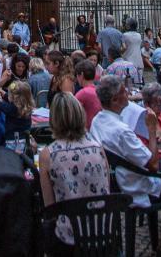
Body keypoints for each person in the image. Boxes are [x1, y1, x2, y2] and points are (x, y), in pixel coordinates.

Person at [90, 76, 161, 219]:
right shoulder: (121, 131)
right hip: (139, 188)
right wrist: (151, 129)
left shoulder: (97, 121)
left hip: (118, 183)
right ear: (115, 100)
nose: (128, 95)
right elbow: (153, 165)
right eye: (124, 92)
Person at [39, 93, 110, 255]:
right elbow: (106, 190)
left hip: (68, 239)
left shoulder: (48, 154)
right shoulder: (98, 148)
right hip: (102, 232)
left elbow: (50, 208)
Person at [75, 59, 102, 128]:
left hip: (87, 131)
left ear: (81, 75)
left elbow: (72, 112)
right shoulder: (99, 90)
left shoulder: (83, 93)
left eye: (77, 75)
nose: (76, 78)